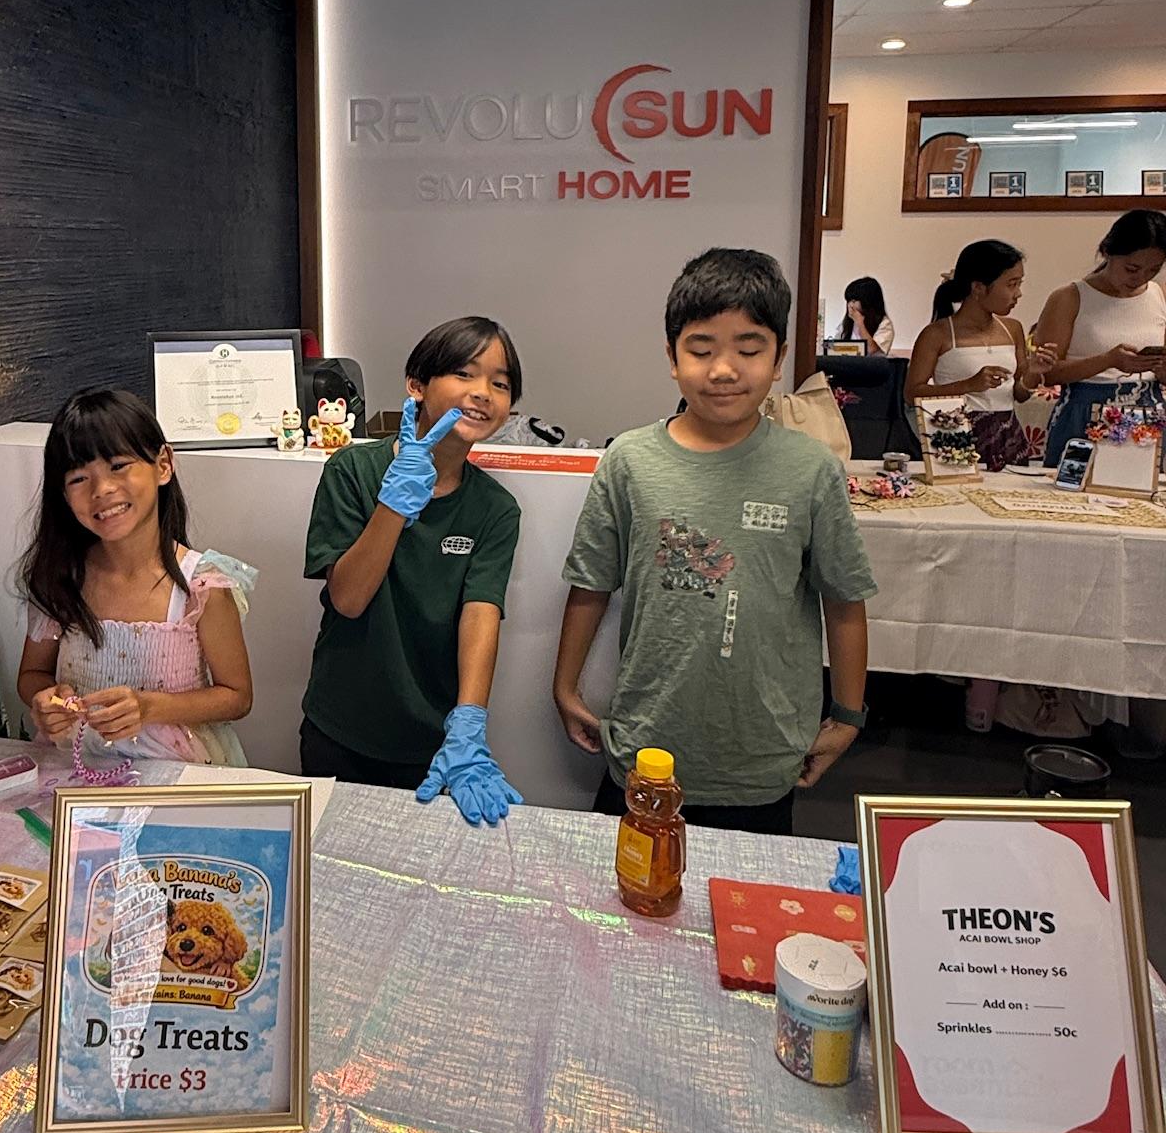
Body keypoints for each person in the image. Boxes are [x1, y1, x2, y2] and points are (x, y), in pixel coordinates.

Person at [553, 247, 876, 835]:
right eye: (701, 350)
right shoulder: (629, 461)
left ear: (779, 358)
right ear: (672, 357)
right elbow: (591, 582)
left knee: (742, 889)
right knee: (625, 884)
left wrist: (848, 716)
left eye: (749, 350)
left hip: (761, 753)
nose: (724, 369)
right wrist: (564, 685)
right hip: (643, 746)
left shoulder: (810, 470)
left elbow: (844, 598)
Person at [300, 315, 524, 824]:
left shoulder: (495, 509)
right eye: (464, 373)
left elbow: (481, 613)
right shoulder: (352, 472)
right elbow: (349, 599)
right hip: (341, 727)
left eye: (500, 383)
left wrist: (468, 723)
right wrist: (395, 504)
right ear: (417, 385)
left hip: (433, 740)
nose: (483, 392)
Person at [17, 387, 254, 782]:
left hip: (175, 770)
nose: (102, 490)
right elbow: (31, 675)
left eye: (118, 465)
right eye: (79, 478)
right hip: (75, 765)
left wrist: (149, 708)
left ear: (163, 465)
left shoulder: (201, 586)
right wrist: (45, 700)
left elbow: (237, 696)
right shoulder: (61, 579)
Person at [904, 241, 1055, 472]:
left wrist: (1034, 373)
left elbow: (1020, 394)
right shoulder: (937, 334)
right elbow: (912, 393)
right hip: (957, 433)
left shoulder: (1013, 328)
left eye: (1019, 284)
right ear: (978, 287)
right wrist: (968, 385)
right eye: (1011, 284)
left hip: (1008, 432)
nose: (1018, 294)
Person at [1031, 210, 1166, 466]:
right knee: (1074, 484)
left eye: (1153, 270)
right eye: (1132, 268)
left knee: (1145, 488)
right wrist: (1108, 360)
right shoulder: (1069, 298)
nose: (1140, 278)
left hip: (1148, 415)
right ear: (1108, 252)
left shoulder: (1158, 295)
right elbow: (1046, 374)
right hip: (1083, 411)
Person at [839, 277, 894, 354]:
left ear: (867, 302)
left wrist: (860, 323)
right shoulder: (848, 323)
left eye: (854, 301)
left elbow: (872, 351)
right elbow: (835, 348)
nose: (850, 305)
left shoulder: (884, 324)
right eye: (848, 301)